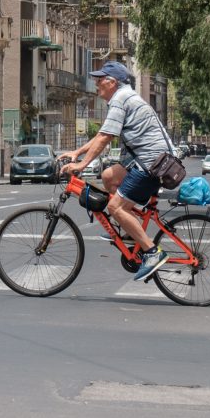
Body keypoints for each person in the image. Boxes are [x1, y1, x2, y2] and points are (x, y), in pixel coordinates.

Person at [58, 61, 174, 282]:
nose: (96, 83)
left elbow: (104, 137)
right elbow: (103, 132)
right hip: (149, 160)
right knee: (108, 176)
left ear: (112, 82)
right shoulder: (123, 97)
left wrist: (81, 166)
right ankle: (131, 234)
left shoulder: (120, 100)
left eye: (100, 80)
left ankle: (152, 252)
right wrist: (77, 152)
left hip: (152, 163)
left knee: (115, 207)